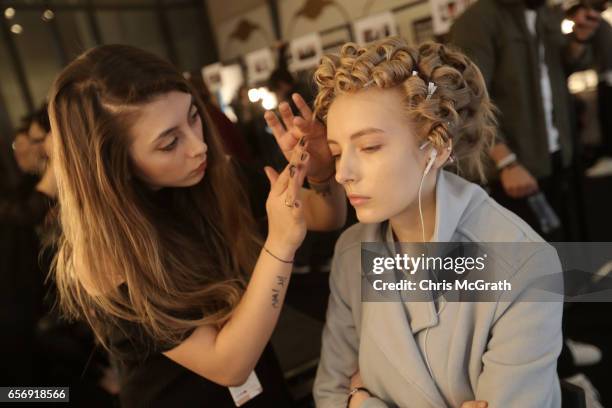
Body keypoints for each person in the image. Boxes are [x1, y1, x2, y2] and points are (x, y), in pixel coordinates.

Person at [48, 44, 345, 407]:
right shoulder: (106, 255)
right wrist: (280, 244)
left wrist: (320, 172)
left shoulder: (218, 179)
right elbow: (229, 365)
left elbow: (328, 216)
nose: (198, 146)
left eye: (193, 117)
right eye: (170, 142)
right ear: (114, 164)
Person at [312, 37, 563, 407]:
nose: (343, 173)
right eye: (336, 152)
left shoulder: (524, 263)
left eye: (368, 147)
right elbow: (329, 394)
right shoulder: (352, 252)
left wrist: (363, 402)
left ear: (437, 145)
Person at [449, 0, 602, 241]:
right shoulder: (477, 20)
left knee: (566, 251)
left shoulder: (544, 14)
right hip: (510, 170)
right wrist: (506, 162)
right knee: (530, 264)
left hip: (557, 158)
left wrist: (580, 38)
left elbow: (565, 66)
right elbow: (467, 100)